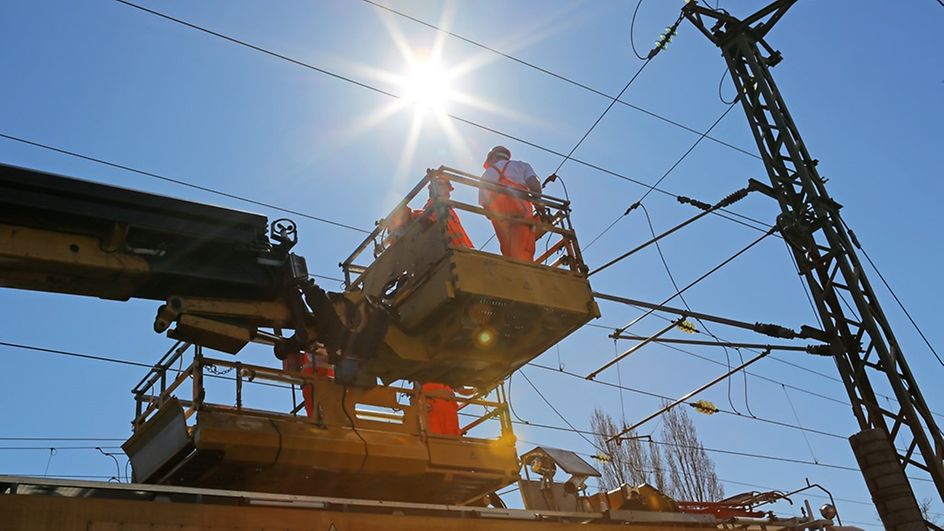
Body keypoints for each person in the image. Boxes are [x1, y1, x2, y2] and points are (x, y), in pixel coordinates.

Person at [479, 146, 542, 261]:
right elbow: (535, 187)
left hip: (500, 221)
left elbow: (486, 210)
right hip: (522, 214)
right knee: (524, 253)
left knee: (509, 254)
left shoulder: (486, 175)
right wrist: (538, 204)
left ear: (492, 158)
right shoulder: (521, 166)